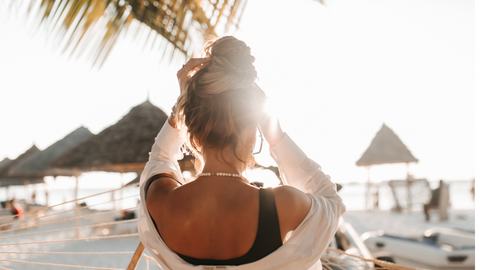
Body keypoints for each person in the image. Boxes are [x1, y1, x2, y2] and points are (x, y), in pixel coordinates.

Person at [138, 36, 346, 269]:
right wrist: (274, 134)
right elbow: (330, 201)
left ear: (193, 135)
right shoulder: (282, 205)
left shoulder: (161, 200)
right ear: (251, 132)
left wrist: (182, 103)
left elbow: (159, 159)